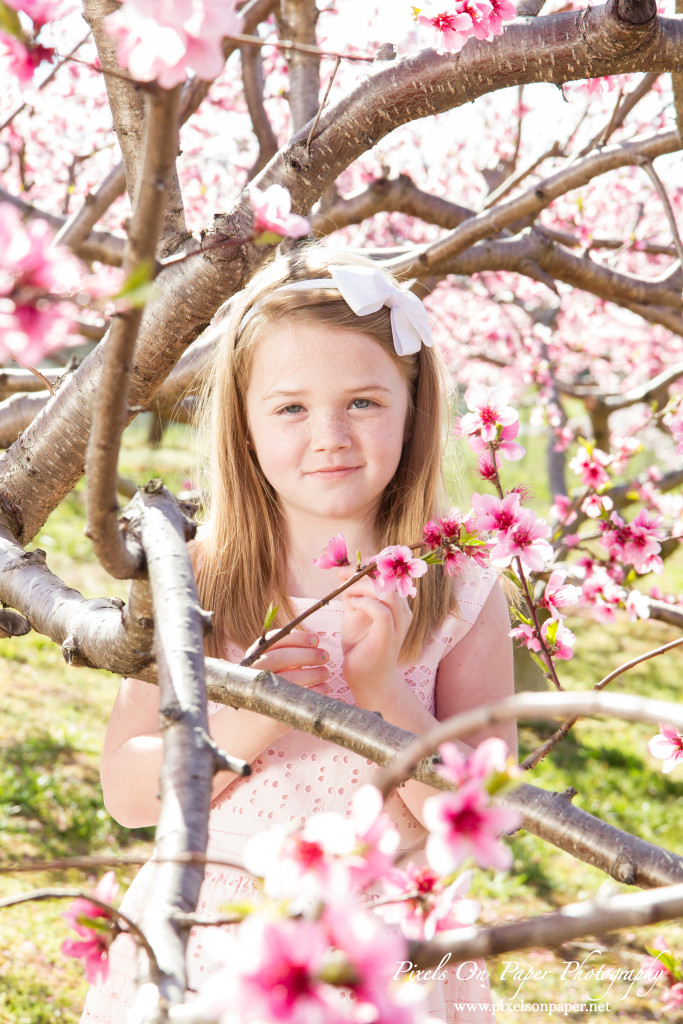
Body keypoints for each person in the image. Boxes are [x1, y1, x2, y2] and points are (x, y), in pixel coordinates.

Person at [81, 247, 516, 1024]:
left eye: (363, 403)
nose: (329, 436)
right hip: (217, 924)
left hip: (384, 939)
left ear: (414, 412)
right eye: (289, 408)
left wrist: (381, 692)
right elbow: (126, 790)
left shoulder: (461, 588)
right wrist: (251, 717)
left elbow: (481, 797)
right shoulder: (189, 580)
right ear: (243, 427)